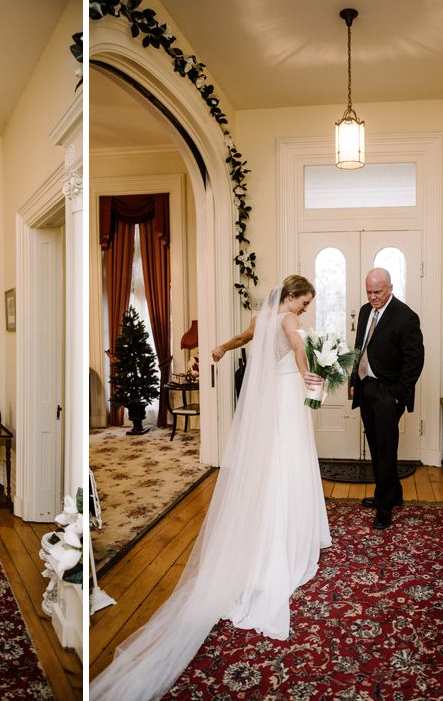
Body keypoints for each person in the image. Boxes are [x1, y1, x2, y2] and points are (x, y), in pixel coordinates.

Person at [92, 276, 334, 701]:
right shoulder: (289, 321)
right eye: (305, 302)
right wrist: (310, 379)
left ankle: (275, 521)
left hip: (272, 402)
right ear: (292, 297)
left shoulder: (262, 318)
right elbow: (298, 347)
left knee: (274, 465)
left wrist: (220, 348)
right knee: (291, 463)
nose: (305, 310)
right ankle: (289, 533)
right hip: (286, 398)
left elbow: (243, 337)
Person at [349, 267, 423, 530]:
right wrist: (353, 382)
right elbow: (360, 347)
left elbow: (414, 361)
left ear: (390, 288)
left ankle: (384, 507)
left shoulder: (406, 317)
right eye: (368, 291)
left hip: (388, 392)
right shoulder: (365, 311)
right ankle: (393, 492)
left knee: (386, 449)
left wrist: (397, 396)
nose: (372, 297)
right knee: (376, 445)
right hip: (366, 387)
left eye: (377, 292)